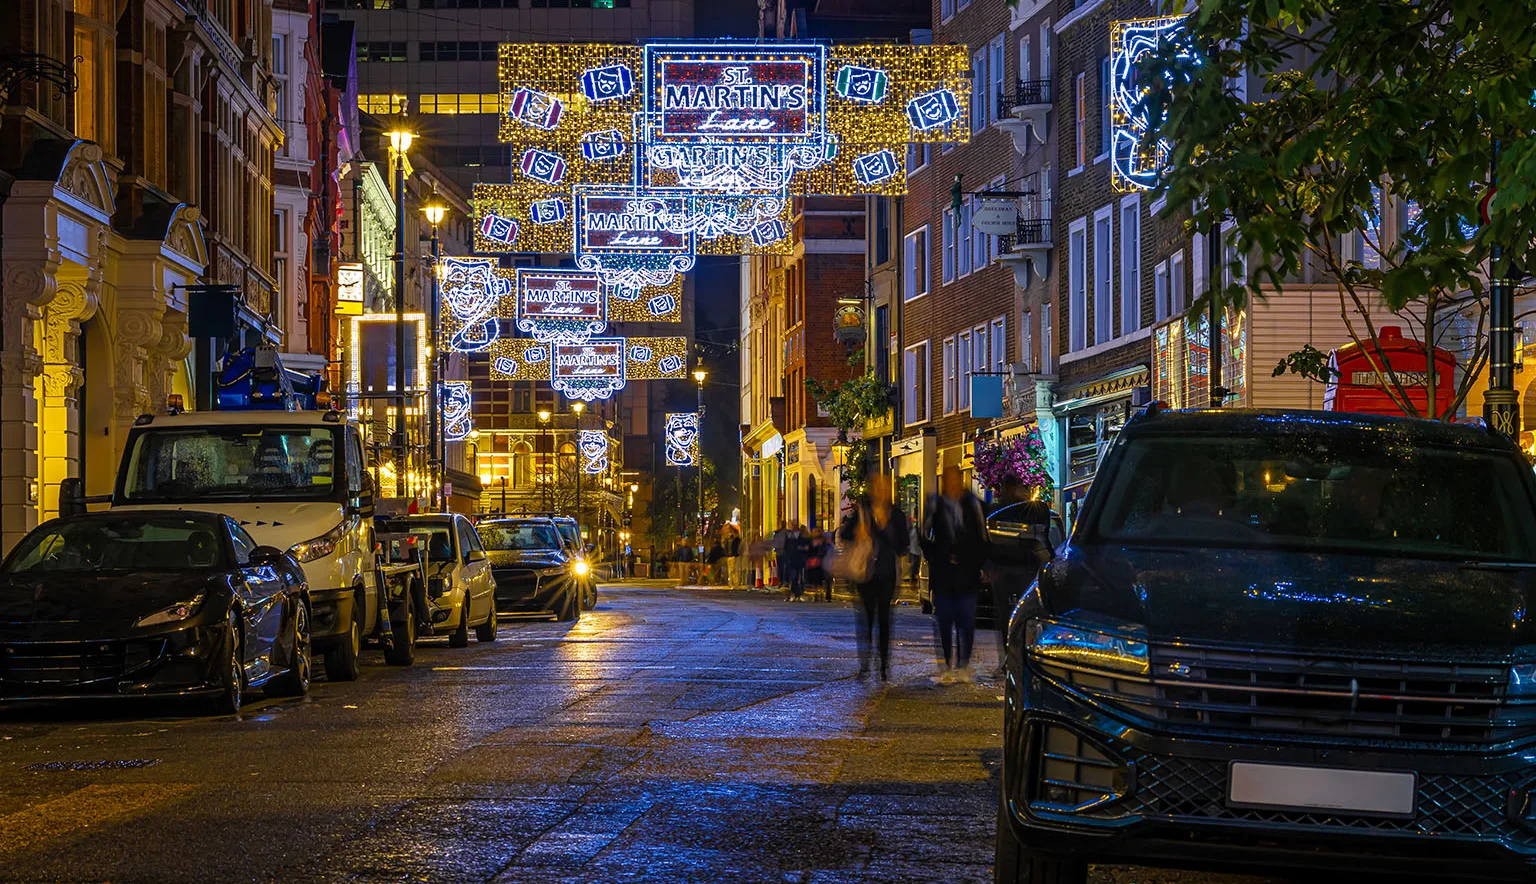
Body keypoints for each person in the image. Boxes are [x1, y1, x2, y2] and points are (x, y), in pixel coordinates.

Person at [922, 465, 989, 683]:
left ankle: (963, 664)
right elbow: (925, 535)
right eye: (947, 480)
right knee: (944, 621)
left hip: (967, 573)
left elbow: (983, 538)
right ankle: (947, 665)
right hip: (943, 574)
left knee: (966, 621)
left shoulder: (974, 504)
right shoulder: (935, 505)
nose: (951, 484)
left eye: (954, 479)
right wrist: (935, 558)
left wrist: (980, 564)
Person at [841, 472, 909, 681]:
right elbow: (844, 534)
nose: (882, 491)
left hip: (887, 572)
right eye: (878, 487)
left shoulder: (896, 514)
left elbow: (903, 544)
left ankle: (883, 665)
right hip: (866, 573)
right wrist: (858, 532)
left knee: (885, 619)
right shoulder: (864, 512)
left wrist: (888, 536)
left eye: (885, 487)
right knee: (867, 618)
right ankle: (865, 664)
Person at [783, 520, 808, 601]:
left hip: (800, 559)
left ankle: (799, 594)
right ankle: (794, 593)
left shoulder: (802, 536)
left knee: (800, 577)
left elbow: (806, 546)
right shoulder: (789, 536)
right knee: (793, 577)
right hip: (792, 559)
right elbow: (786, 548)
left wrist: (803, 549)